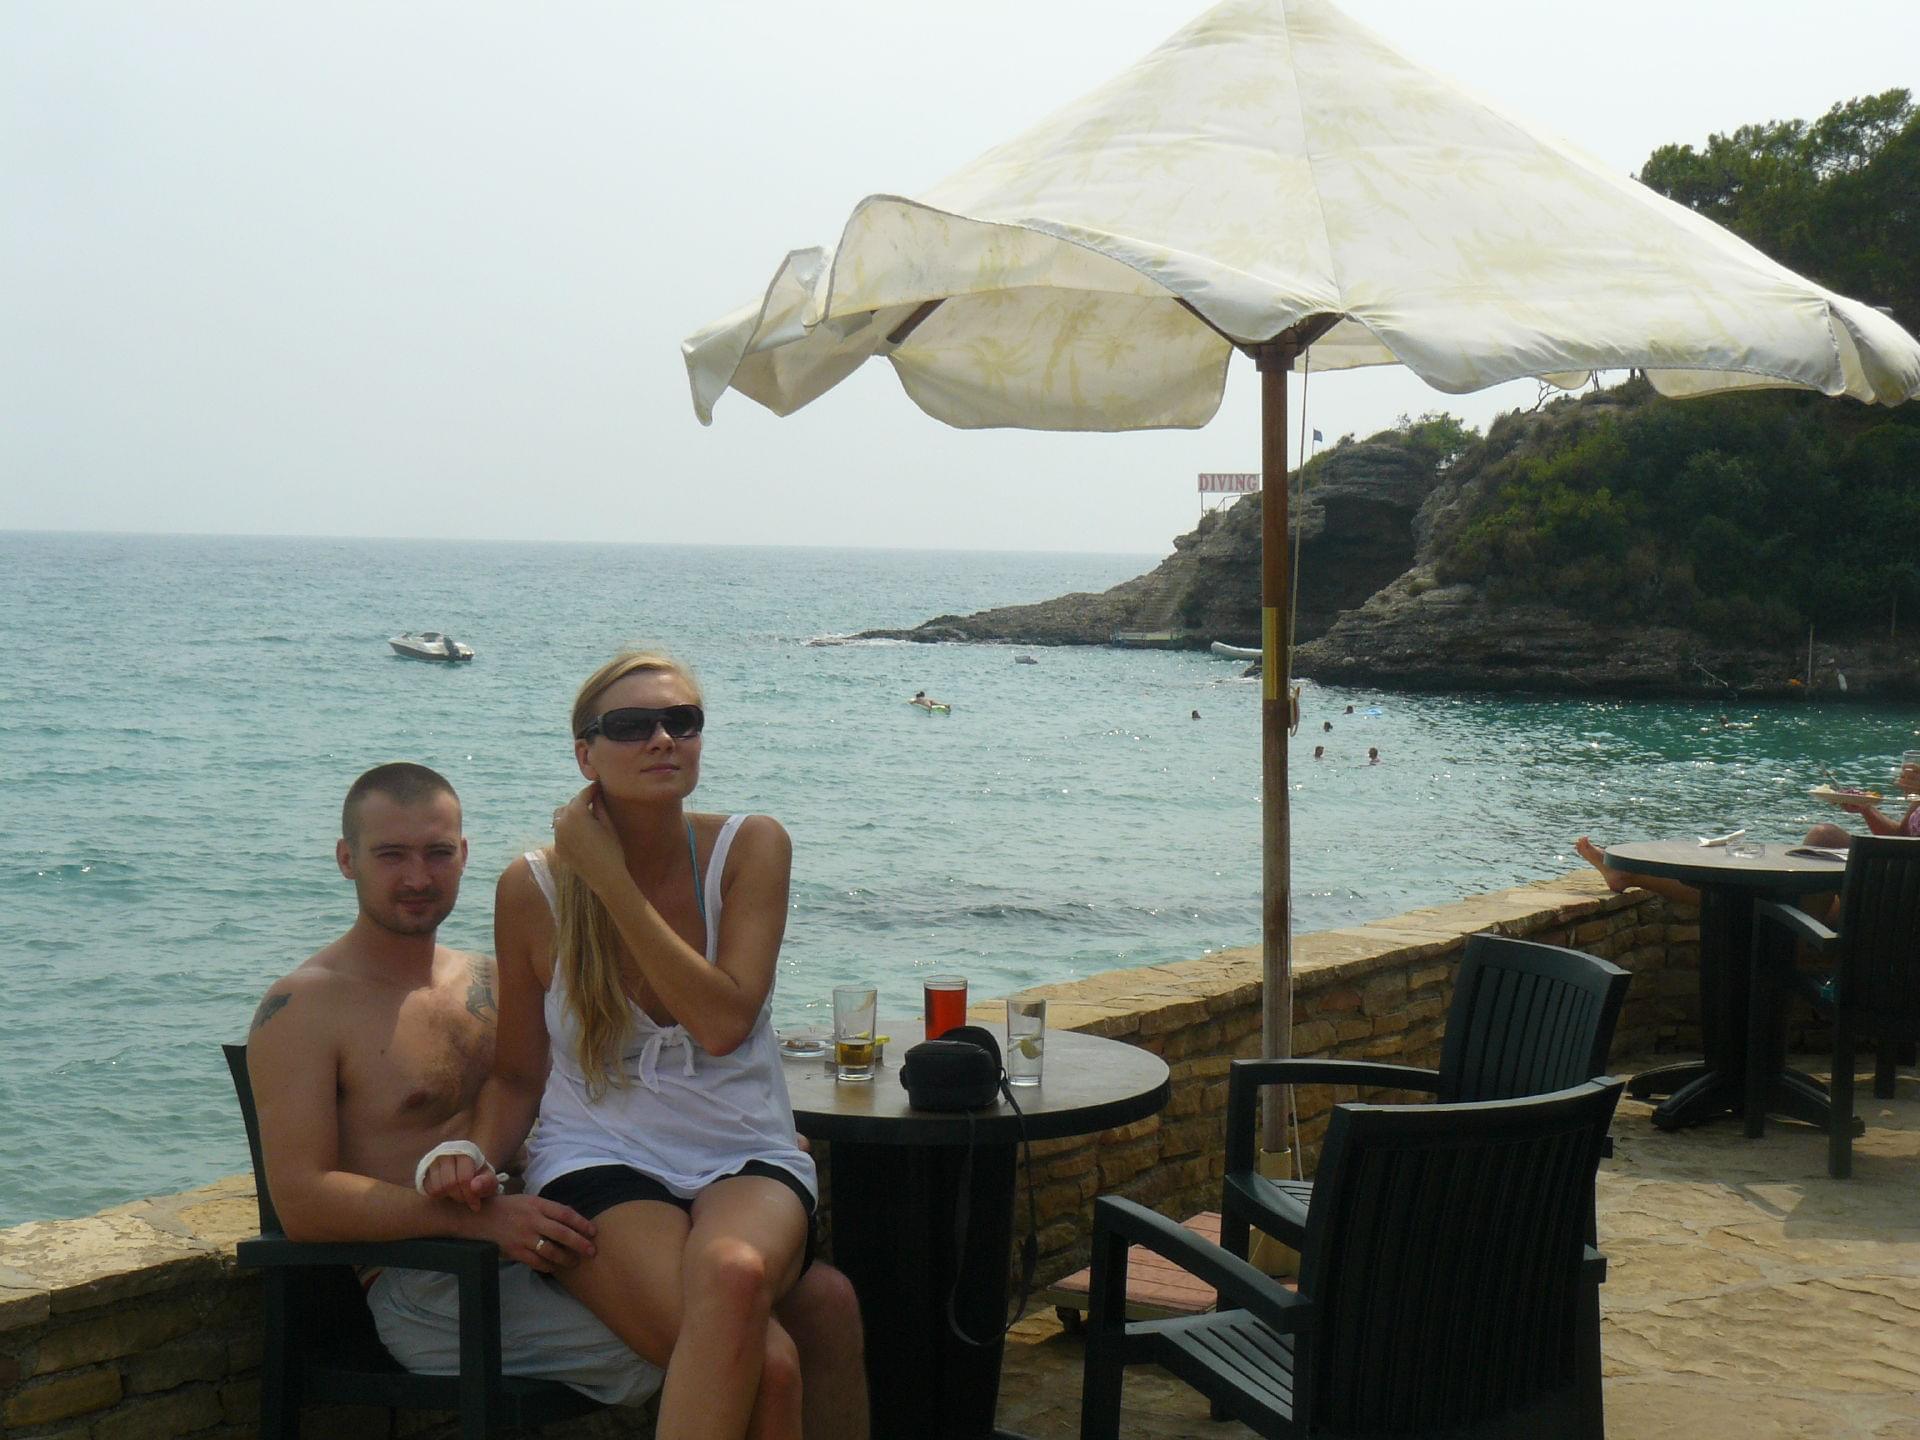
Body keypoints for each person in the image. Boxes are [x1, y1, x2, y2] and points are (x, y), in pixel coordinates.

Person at [433, 652, 867, 1440]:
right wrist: (471, 1155)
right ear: (585, 755)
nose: (663, 738)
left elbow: (721, 1023)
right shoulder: (532, 889)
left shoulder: (751, 848)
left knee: (736, 1270)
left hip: (745, 1147)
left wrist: (610, 879)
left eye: (682, 721)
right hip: (599, 1154)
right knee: (769, 1366)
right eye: (632, 725)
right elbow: (519, 1075)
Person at [245, 762, 662, 1405]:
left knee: (778, 1299)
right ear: (347, 859)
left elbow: (590, 1097)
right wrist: (476, 1223)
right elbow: (301, 1201)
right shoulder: (305, 1008)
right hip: (427, 1283)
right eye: (391, 855)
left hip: (541, 1242)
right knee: (700, 1338)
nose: (418, 878)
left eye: (437, 853)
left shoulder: (493, 980)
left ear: (464, 855)